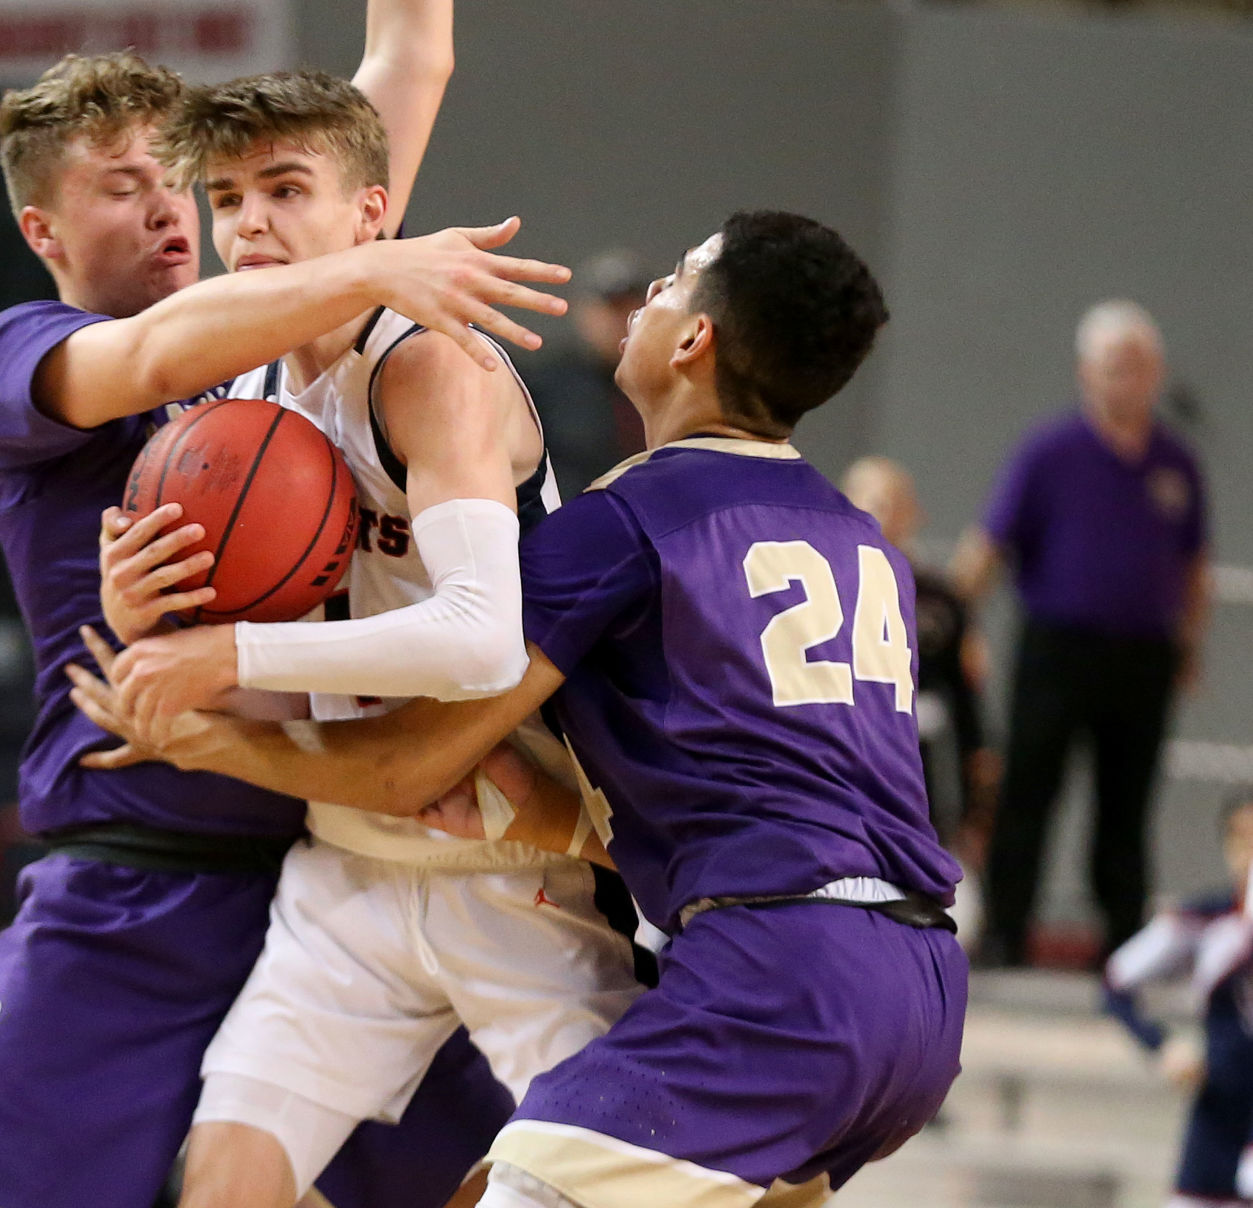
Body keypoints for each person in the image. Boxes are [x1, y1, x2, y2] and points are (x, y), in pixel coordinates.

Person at [71, 211, 967, 1208]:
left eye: (672, 278)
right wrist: (551, 816)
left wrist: (208, 732)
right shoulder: (859, 540)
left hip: (778, 974)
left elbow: (409, 766)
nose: (649, 296)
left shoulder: (625, 520)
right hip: (919, 988)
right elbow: (788, 807)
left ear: (692, 339)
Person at [0, 8, 576, 1205]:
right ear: (40, 225)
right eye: (125, 187)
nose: (171, 209)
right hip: (135, 870)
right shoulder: (21, 353)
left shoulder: (291, 331)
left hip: (332, 841)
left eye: (176, 179)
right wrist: (371, 262)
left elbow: (403, 64)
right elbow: (154, 358)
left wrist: (361, 245)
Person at [89, 70, 643, 1208]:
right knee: (223, 1180)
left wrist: (229, 656)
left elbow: (481, 639)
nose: (249, 222)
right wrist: (154, 623)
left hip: (515, 854)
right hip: (345, 852)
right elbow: (302, 662)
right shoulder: (236, 386)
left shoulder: (429, 363)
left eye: (285, 188)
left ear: (371, 217)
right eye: (228, 195)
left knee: (619, 1190)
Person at [953, 299, 1211, 966]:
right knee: (1028, 789)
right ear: (1085, 373)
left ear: (1154, 374)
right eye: (1112, 367)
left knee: (1126, 800)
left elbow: (1193, 565)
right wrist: (948, 623)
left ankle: (1123, 941)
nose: (1125, 380)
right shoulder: (1049, 452)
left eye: (1137, 367)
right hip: (1057, 647)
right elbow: (991, 543)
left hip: (1143, 654)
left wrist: (1189, 642)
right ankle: (1007, 931)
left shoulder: (1175, 464)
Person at [1103, 788, 1253, 1208]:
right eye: (1242, 838)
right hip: (1220, 1113)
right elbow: (1116, 983)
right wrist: (1162, 1044)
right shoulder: (1203, 919)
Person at [842, 456, 996, 852]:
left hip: (921, 764)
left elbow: (965, 702)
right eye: (874, 501)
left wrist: (978, 795)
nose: (886, 514)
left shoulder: (939, 601)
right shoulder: (818, 593)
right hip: (842, 757)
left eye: (897, 503)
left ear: (915, 514)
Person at [522, 249, 650, 498]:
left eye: (632, 308)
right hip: (576, 516)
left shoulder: (676, 380)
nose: (621, 321)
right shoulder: (547, 385)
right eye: (611, 309)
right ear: (585, 313)